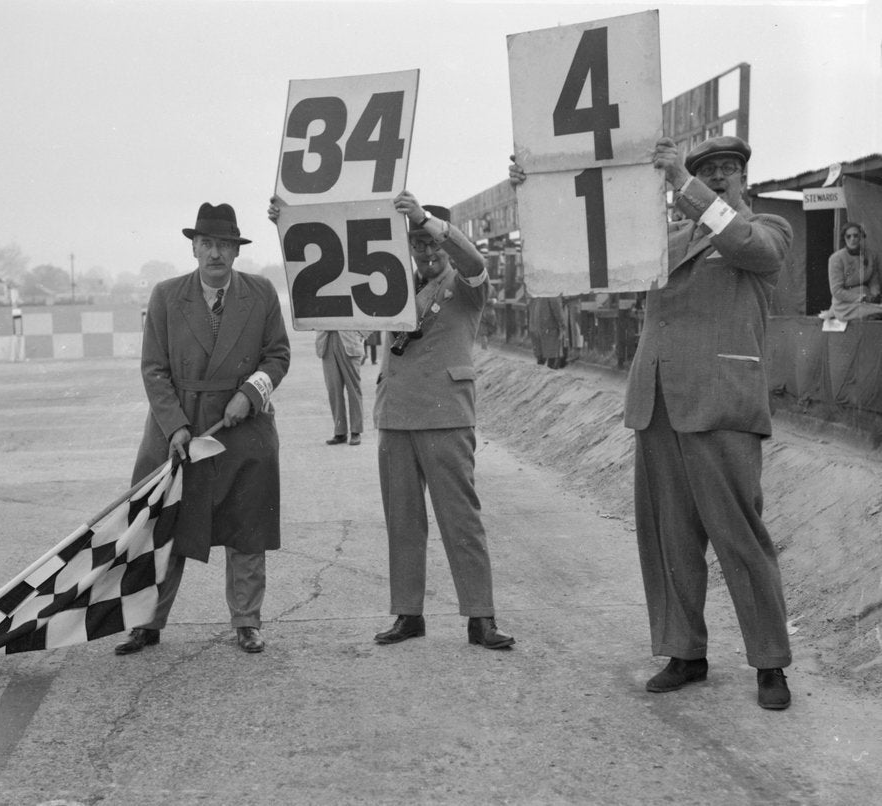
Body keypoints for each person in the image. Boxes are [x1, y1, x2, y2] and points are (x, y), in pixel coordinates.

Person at [512, 135, 795, 708]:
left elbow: (745, 245)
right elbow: (588, 255)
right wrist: (538, 193)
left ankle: (770, 663)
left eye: (727, 170)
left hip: (721, 403)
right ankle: (684, 651)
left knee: (741, 537)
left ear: (744, 180)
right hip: (659, 404)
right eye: (707, 170)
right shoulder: (662, 243)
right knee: (668, 539)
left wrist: (683, 185)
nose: (718, 177)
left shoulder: (764, 230)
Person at [114, 202, 290, 656]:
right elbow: (154, 370)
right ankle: (146, 623)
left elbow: (278, 356)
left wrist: (249, 394)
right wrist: (175, 427)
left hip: (242, 432)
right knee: (165, 526)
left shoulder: (262, 293)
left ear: (236, 250)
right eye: (207, 244)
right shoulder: (167, 296)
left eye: (225, 245)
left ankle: (247, 622)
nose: (216, 253)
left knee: (247, 529)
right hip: (180, 431)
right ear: (194, 247)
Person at [373, 192, 515, 650]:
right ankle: (408, 614)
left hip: (444, 416)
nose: (428, 252)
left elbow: (471, 258)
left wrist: (427, 221)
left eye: (433, 243)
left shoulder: (467, 285)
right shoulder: (390, 288)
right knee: (403, 521)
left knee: (460, 520)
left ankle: (481, 617)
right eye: (418, 244)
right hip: (396, 416)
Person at [316, 329, 365, 445]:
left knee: (354, 390)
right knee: (333, 390)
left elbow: (372, 314)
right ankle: (340, 431)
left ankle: (356, 431)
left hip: (349, 341)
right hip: (326, 342)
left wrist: (362, 333)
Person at [827, 222, 882, 320]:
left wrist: (875, 296)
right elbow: (836, 291)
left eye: (856, 235)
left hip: (867, 300)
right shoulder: (836, 259)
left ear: (861, 237)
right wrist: (862, 298)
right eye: (848, 236)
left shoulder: (871, 256)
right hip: (845, 304)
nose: (852, 239)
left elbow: (874, 282)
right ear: (844, 238)